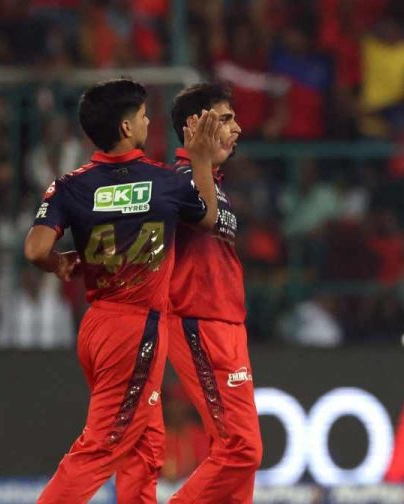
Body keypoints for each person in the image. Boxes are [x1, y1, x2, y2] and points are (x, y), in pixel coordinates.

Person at [24, 78, 221, 504]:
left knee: (145, 447)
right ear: (128, 127)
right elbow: (208, 218)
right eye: (144, 114)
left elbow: (36, 248)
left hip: (96, 328)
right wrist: (202, 161)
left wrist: (60, 263)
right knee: (102, 446)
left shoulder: (70, 185)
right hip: (136, 332)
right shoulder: (164, 182)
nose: (150, 119)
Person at [166, 83, 262, 503]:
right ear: (195, 125)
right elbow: (200, 218)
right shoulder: (176, 182)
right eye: (225, 119)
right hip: (198, 324)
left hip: (227, 325)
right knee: (243, 449)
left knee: (234, 451)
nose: (237, 128)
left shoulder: (211, 182)